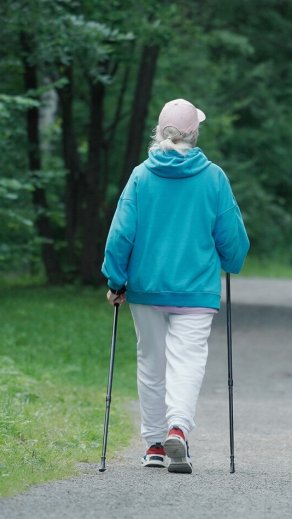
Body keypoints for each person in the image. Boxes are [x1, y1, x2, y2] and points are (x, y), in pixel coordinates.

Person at [101, 98, 250, 474]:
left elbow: (120, 234)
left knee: (151, 362)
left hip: (146, 288)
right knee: (187, 362)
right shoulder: (214, 177)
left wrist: (116, 280)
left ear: (159, 132)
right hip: (196, 291)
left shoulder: (141, 176)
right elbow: (232, 237)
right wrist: (232, 261)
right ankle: (178, 429)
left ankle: (154, 444)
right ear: (194, 133)